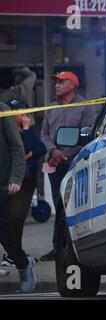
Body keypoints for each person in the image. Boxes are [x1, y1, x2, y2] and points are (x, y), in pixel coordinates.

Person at [40, 71, 96, 261]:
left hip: (75, 164)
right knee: (59, 205)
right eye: (56, 82)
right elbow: (44, 134)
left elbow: (87, 135)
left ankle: (75, 247)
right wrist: (53, 151)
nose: (56, 86)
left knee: (75, 205)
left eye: (61, 82)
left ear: (72, 85)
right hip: (54, 163)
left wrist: (65, 154)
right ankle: (57, 247)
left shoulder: (85, 107)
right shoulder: (51, 107)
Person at [1, 97, 46, 267]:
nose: (16, 115)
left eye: (18, 112)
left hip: (25, 179)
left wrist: (27, 130)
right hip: (12, 178)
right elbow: (23, 147)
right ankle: (15, 255)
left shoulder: (26, 129)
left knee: (17, 217)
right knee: (11, 219)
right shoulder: (8, 125)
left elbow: (37, 148)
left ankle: (16, 255)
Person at [0, 100, 37, 292]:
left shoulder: (3, 111)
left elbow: (16, 147)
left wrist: (16, 177)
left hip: (2, 181)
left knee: (3, 229)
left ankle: (23, 263)